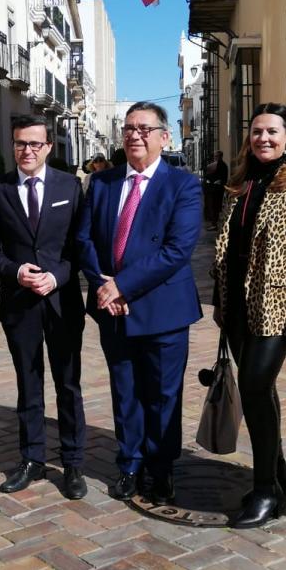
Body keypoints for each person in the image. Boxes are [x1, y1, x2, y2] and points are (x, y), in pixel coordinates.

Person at [76, 102, 203, 505]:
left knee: (163, 395)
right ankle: (129, 462)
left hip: (162, 310)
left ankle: (161, 468)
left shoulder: (183, 186)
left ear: (165, 138)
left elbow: (176, 250)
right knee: (125, 390)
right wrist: (103, 286)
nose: (135, 135)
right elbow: (84, 240)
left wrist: (123, 287)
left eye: (145, 129)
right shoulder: (102, 183)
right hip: (112, 309)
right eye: (129, 128)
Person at [211, 103, 286, 528]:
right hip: (238, 304)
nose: (263, 138)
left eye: (272, 132)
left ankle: (264, 491)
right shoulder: (240, 180)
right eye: (257, 131)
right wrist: (220, 301)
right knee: (261, 391)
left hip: (278, 303)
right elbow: (225, 245)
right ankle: (277, 478)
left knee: (256, 383)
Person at [0, 115, 87, 500]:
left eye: (35, 144)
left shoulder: (70, 186)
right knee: (28, 383)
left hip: (62, 301)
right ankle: (32, 458)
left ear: (48, 147)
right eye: (20, 143)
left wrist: (56, 277)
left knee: (68, 384)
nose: (27, 150)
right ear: (13, 144)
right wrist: (14, 271)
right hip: (20, 302)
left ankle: (73, 462)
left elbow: (79, 246)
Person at [202, 151, 228, 229]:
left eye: (217, 156)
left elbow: (224, 177)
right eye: (215, 156)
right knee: (211, 206)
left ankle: (214, 223)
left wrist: (219, 181)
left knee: (215, 206)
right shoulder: (213, 164)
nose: (215, 157)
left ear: (221, 156)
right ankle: (213, 222)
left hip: (216, 190)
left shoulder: (223, 165)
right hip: (211, 189)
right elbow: (207, 175)